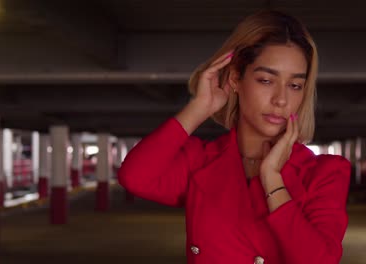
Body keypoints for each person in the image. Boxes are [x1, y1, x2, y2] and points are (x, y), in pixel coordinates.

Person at [118, 9, 351, 264]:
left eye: (295, 85)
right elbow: (135, 177)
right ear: (236, 78)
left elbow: (320, 261)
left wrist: (272, 179)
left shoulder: (323, 173)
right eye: (265, 80)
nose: (281, 99)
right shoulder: (200, 162)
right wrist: (200, 107)